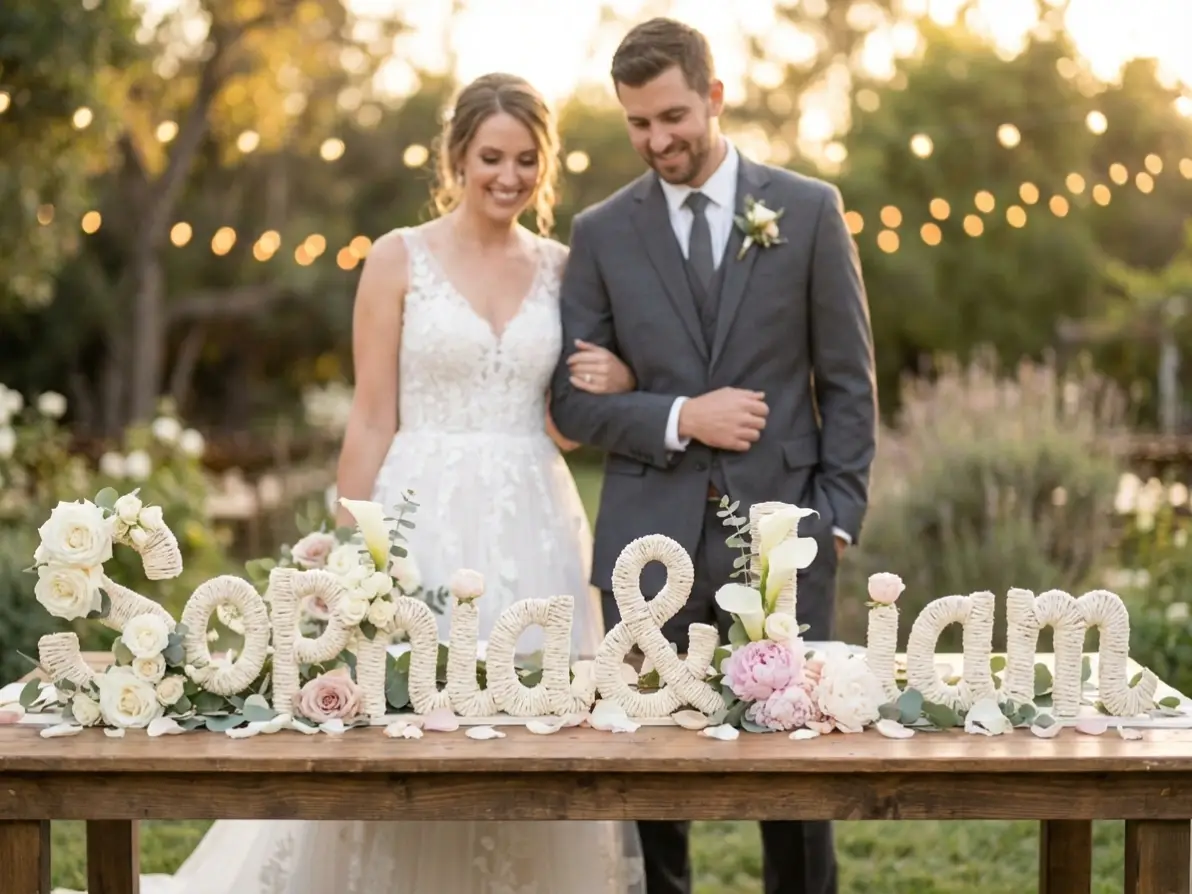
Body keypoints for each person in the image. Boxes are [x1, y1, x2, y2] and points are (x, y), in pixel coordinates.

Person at [85, 72, 645, 894]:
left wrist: (621, 382)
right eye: (492, 156)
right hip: (420, 516)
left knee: (532, 721)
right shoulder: (398, 258)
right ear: (457, 156)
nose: (509, 176)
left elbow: (561, 419)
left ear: (545, 165)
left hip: (536, 515)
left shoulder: (565, 269)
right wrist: (348, 551)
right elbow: (372, 417)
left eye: (527, 160)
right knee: (403, 714)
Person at [549, 17, 878, 894]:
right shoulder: (601, 232)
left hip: (786, 533)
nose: (658, 141)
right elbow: (572, 401)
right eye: (638, 123)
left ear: (715, 97)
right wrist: (681, 414)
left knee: (798, 774)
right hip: (645, 545)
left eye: (673, 117)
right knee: (650, 773)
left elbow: (848, 382)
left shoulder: (807, 211)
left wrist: (837, 520)